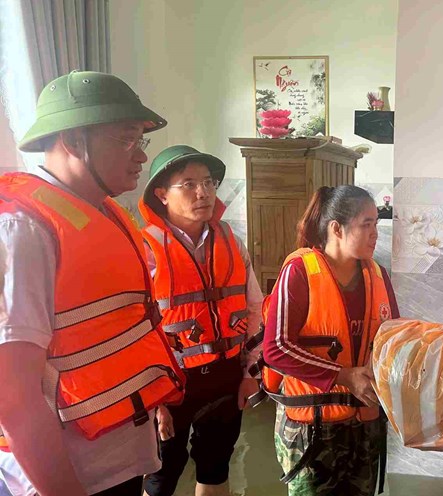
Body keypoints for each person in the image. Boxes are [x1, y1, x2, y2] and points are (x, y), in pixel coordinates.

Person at [0, 71, 185, 496]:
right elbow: (12, 394)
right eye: (127, 139)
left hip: (115, 461)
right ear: (71, 139)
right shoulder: (24, 229)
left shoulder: (106, 213)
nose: (141, 155)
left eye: (141, 139)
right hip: (68, 479)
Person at [138, 145, 263, 496]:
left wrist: (250, 373)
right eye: (189, 184)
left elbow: (255, 309)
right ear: (162, 194)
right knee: (161, 474)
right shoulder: (144, 250)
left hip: (225, 376)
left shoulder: (231, 242)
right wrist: (153, 399)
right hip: (170, 383)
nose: (203, 192)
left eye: (208, 182)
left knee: (215, 466)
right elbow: (135, 331)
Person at [259, 185, 399, 496]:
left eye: (376, 223)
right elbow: (276, 349)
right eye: (366, 224)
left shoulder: (378, 275)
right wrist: (344, 376)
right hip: (311, 429)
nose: (375, 233)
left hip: (364, 425)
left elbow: (394, 340)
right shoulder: (299, 272)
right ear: (336, 228)